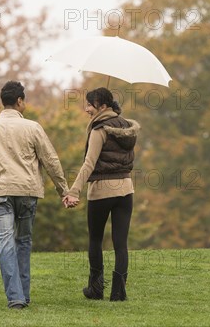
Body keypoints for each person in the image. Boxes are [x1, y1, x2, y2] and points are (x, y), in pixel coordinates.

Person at [0, 81, 79, 310]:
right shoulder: (33, 128)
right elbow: (51, 161)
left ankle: (15, 297)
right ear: (20, 101)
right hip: (27, 192)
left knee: (5, 242)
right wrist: (64, 191)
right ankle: (24, 294)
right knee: (24, 241)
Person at [65, 87, 139, 301]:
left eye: (90, 104)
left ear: (102, 106)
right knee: (120, 243)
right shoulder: (127, 127)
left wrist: (73, 191)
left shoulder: (99, 130)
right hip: (125, 189)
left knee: (96, 240)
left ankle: (96, 289)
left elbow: (89, 164)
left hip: (102, 190)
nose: (86, 108)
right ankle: (118, 292)